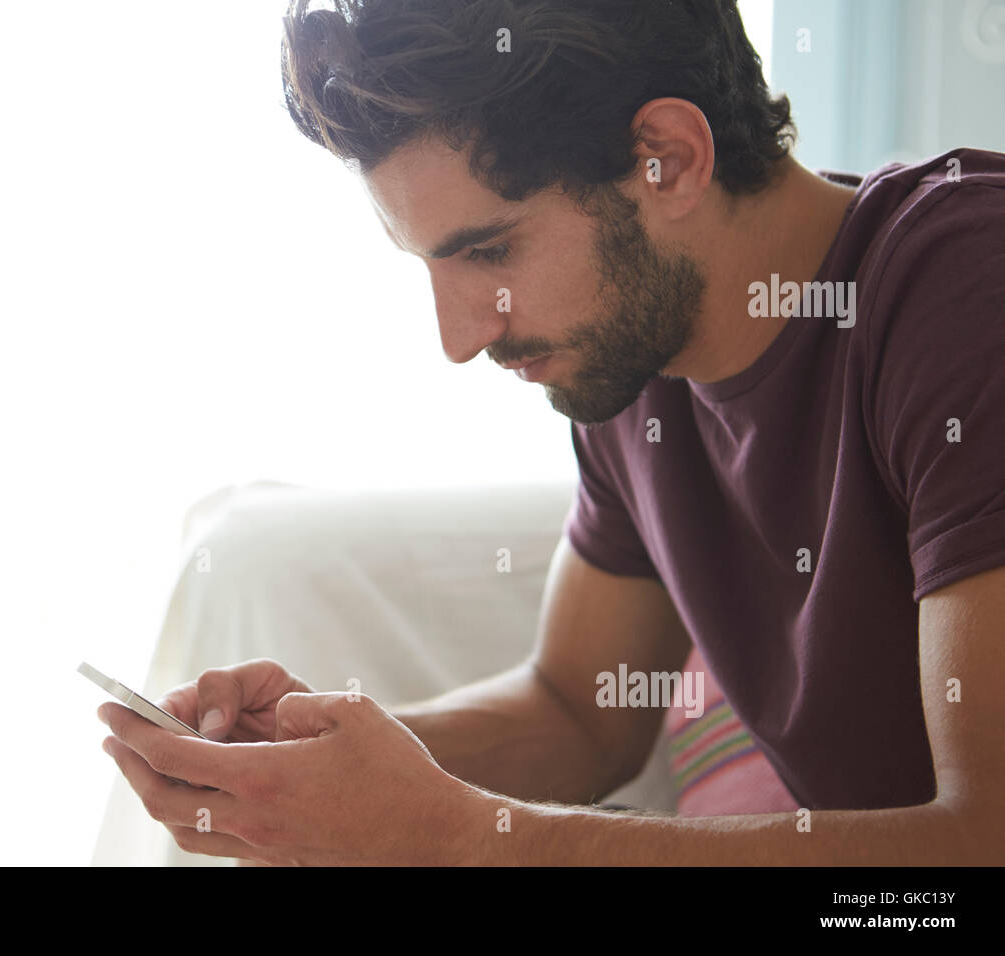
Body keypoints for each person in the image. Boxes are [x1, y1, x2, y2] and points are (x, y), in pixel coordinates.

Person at [95, 0, 1005, 864]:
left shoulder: (965, 290)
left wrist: (463, 843)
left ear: (669, 159)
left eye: (489, 252)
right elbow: (579, 713)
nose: (459, 340)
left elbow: (981, 848)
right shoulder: (633, 361)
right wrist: (310, 768)